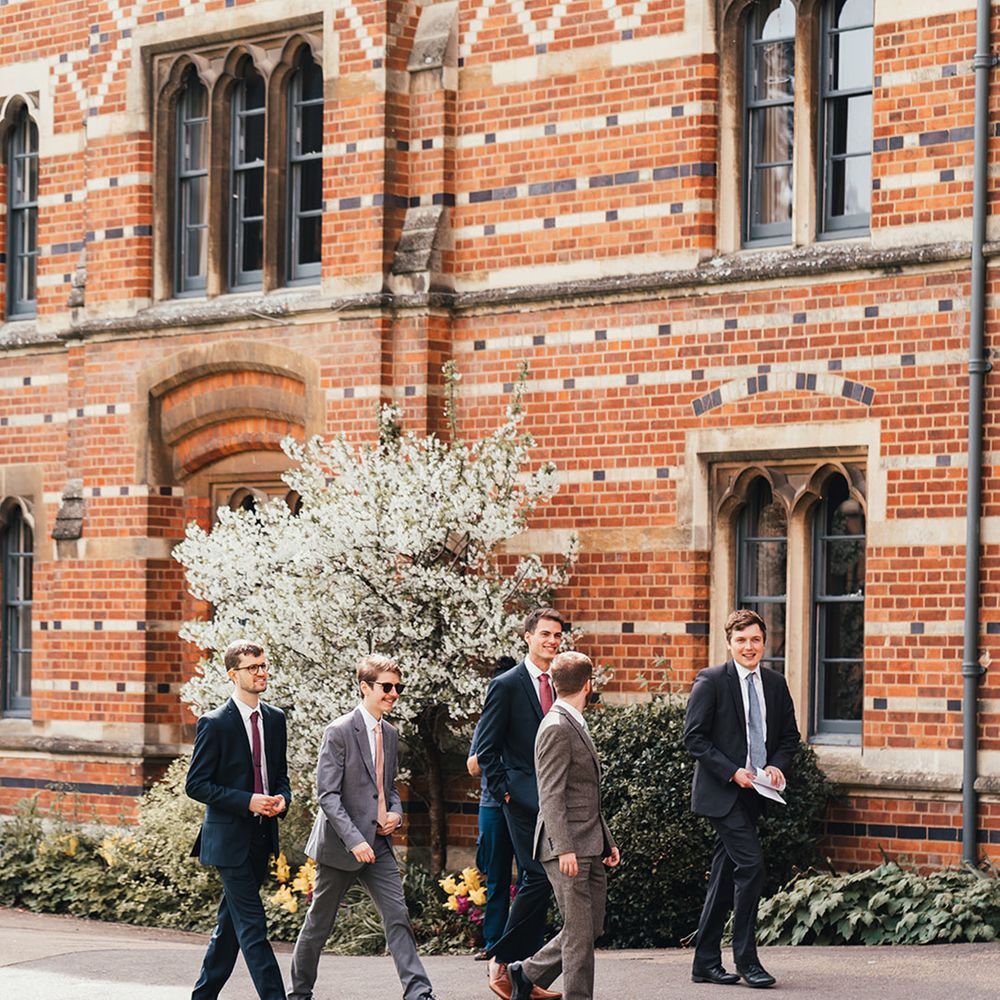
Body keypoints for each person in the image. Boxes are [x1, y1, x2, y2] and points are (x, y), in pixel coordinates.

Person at [288, 655, 437, 1000]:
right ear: (365, 687)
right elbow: (327, 795)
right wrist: (354, 840)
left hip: (380, 844)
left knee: (397, 915)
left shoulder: (390, 732)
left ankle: (419, 992)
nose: (394, 693)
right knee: (319, 924)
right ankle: (298, 993)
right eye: (387, 687)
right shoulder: (339, 731)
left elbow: (389, 789)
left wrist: (396, 816)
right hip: (341, 846)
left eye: (398, 687)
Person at [683, 609, 799, 990]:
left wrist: (777, 765)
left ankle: (704, 963)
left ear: (764, 643)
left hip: (757, 794)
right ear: (729, 643)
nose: (749, 647)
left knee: (724, 875)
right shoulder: (712, 681)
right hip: (722, 793)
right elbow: (694, 738)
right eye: (741, 640)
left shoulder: (775, 683)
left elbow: (788, 738)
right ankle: (747, 960)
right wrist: (732, 770)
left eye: (755, 640)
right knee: (752, 867)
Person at [506, 651, 620, 1000]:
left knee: (589, 927)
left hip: (591, 842)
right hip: (566, 846)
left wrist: (607, 840)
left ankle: (526, 973)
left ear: (554, 683)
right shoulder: (556, 727)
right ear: (589, 684)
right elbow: (551, 795)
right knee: (580, 931)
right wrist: (565, 847)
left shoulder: (573, 721)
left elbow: (585, 792)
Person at [186, 640, 291, 1000]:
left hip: (262, 838)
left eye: (264, 665)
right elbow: (196, 785)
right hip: (228, 842)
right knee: (253, 927)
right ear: (233, 674)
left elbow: (280, 776)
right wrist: (248, 801)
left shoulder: (276, 719)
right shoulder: (214, 723)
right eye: (253, 667)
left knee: (228, 929)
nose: (262, 672)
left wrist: (282, 800)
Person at [476, 608, 566, 1000]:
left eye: (557, 635)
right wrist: (505, 793)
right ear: (527, 637)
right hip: (521, 801)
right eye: (545, 634)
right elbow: (487, 749)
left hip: (555, 801)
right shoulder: (507, 684)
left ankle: (522, 974)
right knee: (538, 877)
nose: (552, 641)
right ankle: (505, 964)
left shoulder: (563, 682)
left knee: (541, 882)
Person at [467, 658, 520, 959]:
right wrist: (491, 750)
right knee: (497, 876)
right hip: (492, 804)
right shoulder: (487, 720)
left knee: (528, 875)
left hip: (522, 803)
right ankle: (494, 944)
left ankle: (521, 940)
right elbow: (473, 765)